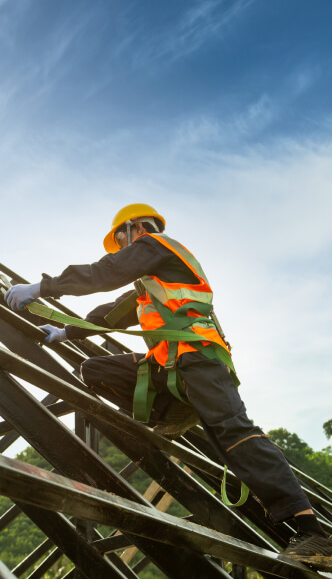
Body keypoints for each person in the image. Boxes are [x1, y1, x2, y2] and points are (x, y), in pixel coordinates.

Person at [5, 203, 332, 569]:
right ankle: (173, 413)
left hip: (201, 360)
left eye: (120, 240)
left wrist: (43, 286)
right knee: (95, 369)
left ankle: (310, 529)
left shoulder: (158, 246)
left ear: (134, 229)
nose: (122, 249)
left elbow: (104, 272)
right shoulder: (152, 284)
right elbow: (112, 314)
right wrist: (65, 331)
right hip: (171, 369)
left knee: (235, 434)